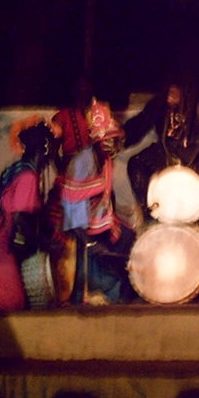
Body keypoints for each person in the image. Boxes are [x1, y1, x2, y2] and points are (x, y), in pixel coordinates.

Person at [123, 69, 199, 232]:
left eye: (174, 93)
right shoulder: (159, 104)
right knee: (136, 164)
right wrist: (120, 135)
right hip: (167, 153)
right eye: (168, 92)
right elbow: (140, 123)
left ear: (186, 91)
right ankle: (151, 212)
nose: (170, 98)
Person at [47, 99, 136, 304]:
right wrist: (90, 243)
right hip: (74, 230)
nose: (111, 145)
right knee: (93, 267)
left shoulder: (104, 160)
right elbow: (72, 211)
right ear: (97, 140)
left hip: (94, 225)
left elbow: (102, 201)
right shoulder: (81, 164)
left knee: (129, 239)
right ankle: (83, 295)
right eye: (107, 140)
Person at [0, 116, 60, 311]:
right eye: (54, 148)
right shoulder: (28, 177)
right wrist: (41, 244)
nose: (55, 153)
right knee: (14, 302)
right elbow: (20, 219)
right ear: (44, 148)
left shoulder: (18, 169)